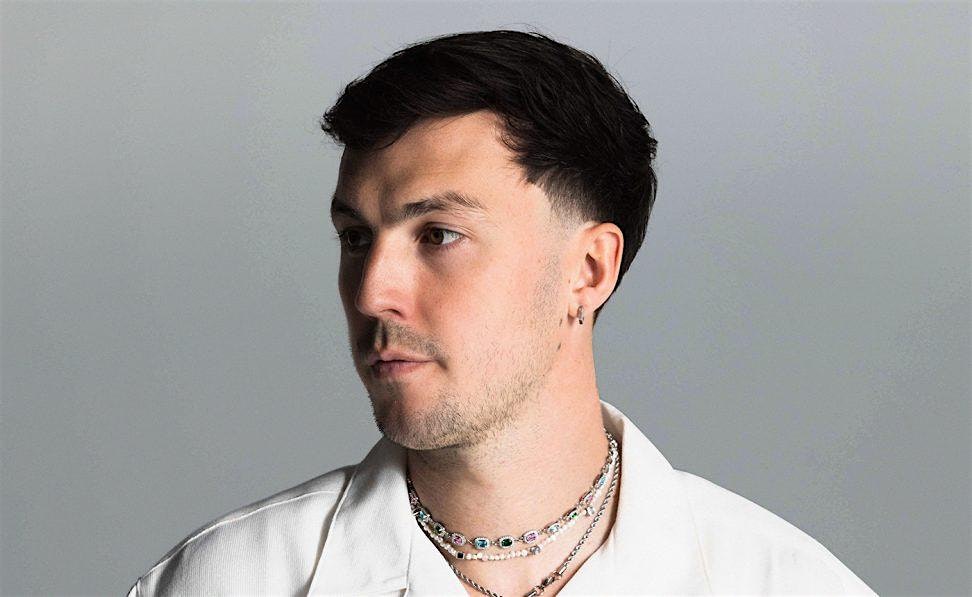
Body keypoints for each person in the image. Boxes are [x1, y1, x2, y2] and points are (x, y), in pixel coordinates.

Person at [128, 30, 876, 596]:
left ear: (588, 270)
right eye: (356, 238)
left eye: (438, 235)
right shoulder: (228, 582)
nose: (370, 292)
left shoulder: (782, 583)